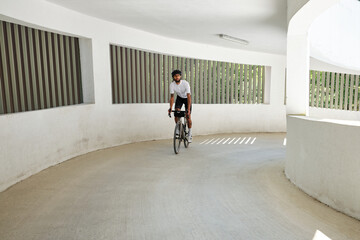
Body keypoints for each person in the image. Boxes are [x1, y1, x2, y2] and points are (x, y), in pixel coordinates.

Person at [168, 69, 193, 142]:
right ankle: (178, 129)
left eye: (178, 76)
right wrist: (170, 108)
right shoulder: (172, 85)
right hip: (179, 98)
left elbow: (189, 96)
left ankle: (190, 134)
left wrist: (188, 109)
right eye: (175, 76)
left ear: (180, 76)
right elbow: (172, 97)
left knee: (188, 117)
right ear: (173, 77)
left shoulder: (185, 83)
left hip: (187, 98)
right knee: (176, 114)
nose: (177, 77)